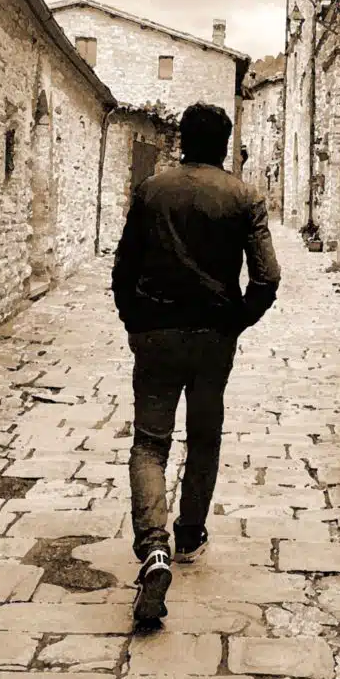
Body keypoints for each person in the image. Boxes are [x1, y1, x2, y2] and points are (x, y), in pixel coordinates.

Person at [112, 102, 281, 626]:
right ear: (225, 145)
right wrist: (237, 321)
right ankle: (188, 534)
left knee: (149, 442)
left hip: (157, 333)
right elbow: (267, 277)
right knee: (204, 436)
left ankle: (153, 549)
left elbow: (123, 266)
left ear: (183, 141)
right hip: (213, 337)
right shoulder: (244, 197)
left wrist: (134, 320)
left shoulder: (151, 191)